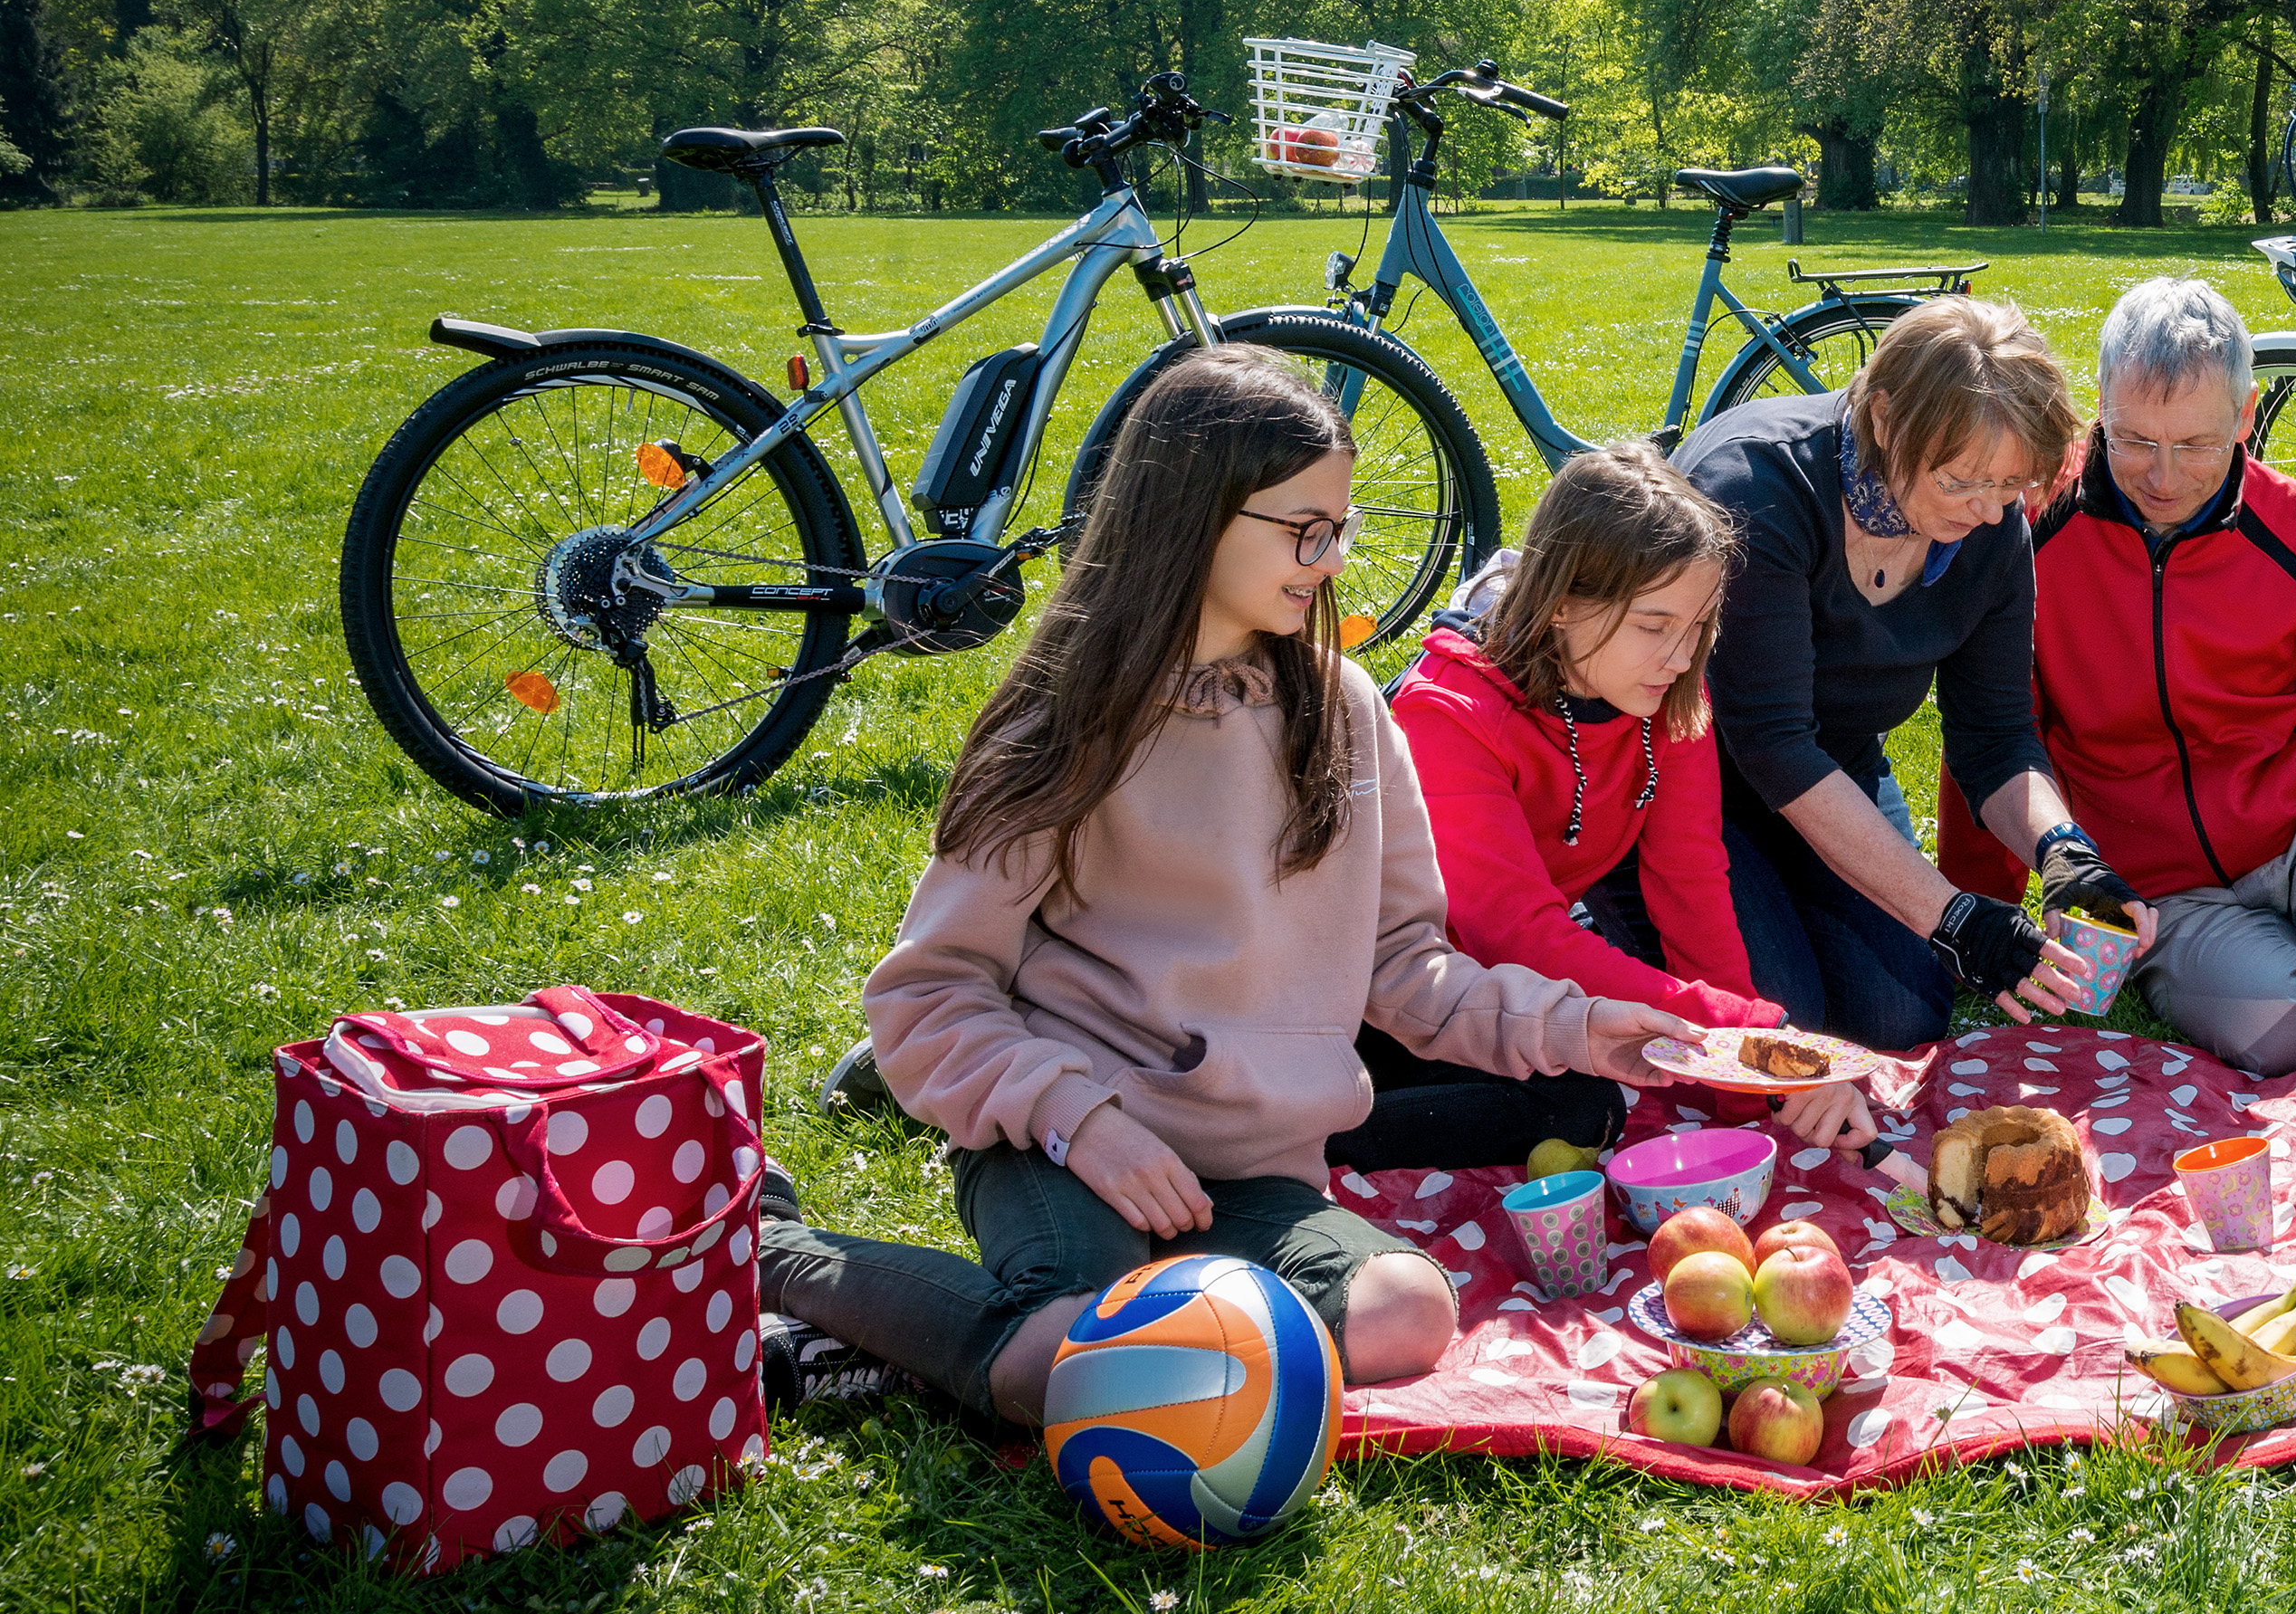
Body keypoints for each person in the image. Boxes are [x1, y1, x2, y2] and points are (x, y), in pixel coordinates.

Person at [751, 347, 1697, 1420]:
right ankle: (779, 1252)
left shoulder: (1344, 711)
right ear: (1192, 516)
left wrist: (1578, 1028)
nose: (1329, 556)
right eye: (1302, 529)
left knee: (1403, 1314)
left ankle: (934, 1347)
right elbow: (926, 998)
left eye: (1336, 528)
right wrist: (1082, 1118)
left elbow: (1407, 968)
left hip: (1255, 1180)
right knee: (1090, 1354)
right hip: (1072, 1148)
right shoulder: (1062, 724)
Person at [1937, 275, 2296, 1073]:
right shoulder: (2029, 533)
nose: (2164, 476)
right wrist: (1980, 908)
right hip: (2161, 888)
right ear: (2098, 410)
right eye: (2135, 440)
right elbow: (1996, 735)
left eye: (2197, 445)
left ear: (2247, 416)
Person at [1389, 442, 1874, 1151]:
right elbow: (1514, 932)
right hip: (1414, 984)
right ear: (1561, 602)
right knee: (1578, 1106)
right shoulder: (1447, 715)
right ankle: (1314, 1138)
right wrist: (1747, 1034)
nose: (1680, 655)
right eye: (1654, 624)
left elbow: (1690, 882)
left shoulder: (1666, 692)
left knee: (1811, 1010)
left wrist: (1742, 1082)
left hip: (1519, 980)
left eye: (1697, 626)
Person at [1679, 295, 2124, 1052]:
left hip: (1836, 769)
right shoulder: (1758, 494)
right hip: (1694, 783)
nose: (1989, 512)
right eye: (1959, 481)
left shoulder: (1989, 529)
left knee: (1902, 1015)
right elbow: (1772, 746)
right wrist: (1951, 915)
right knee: (1785, 1024)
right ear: (1884, 419)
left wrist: (2062, 849)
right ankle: (1597, 903)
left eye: (2009, 485)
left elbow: (1995, 733)